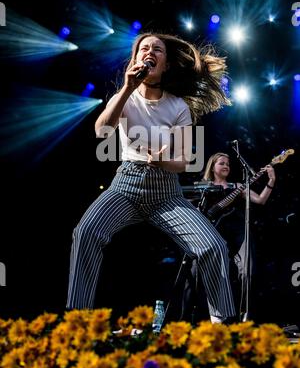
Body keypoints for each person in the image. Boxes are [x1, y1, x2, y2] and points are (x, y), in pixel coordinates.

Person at [66, 32, 236, 323]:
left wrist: (158, 158)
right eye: (144, 48)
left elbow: (182, 163)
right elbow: (101, 132)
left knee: (214, 246)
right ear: (135, 61)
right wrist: (127, 88)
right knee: (85, 233)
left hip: (166, 193)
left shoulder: (178, 107)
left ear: (165, 64)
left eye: (157, 49)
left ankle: (225, 325)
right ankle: (78, 323)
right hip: (125, 187)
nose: (150, 52)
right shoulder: (124, 99)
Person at [201, 152, 276, 319]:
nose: (226, 165)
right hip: (216, 235)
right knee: (218, 274)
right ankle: (219, 316)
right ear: (212, 167)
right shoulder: (204, 188)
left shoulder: (237, 186)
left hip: (240, 233)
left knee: (247, 272)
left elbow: (260, 200)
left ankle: (245, 317)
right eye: (222, 163)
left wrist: (271, 181)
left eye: (228, 163)